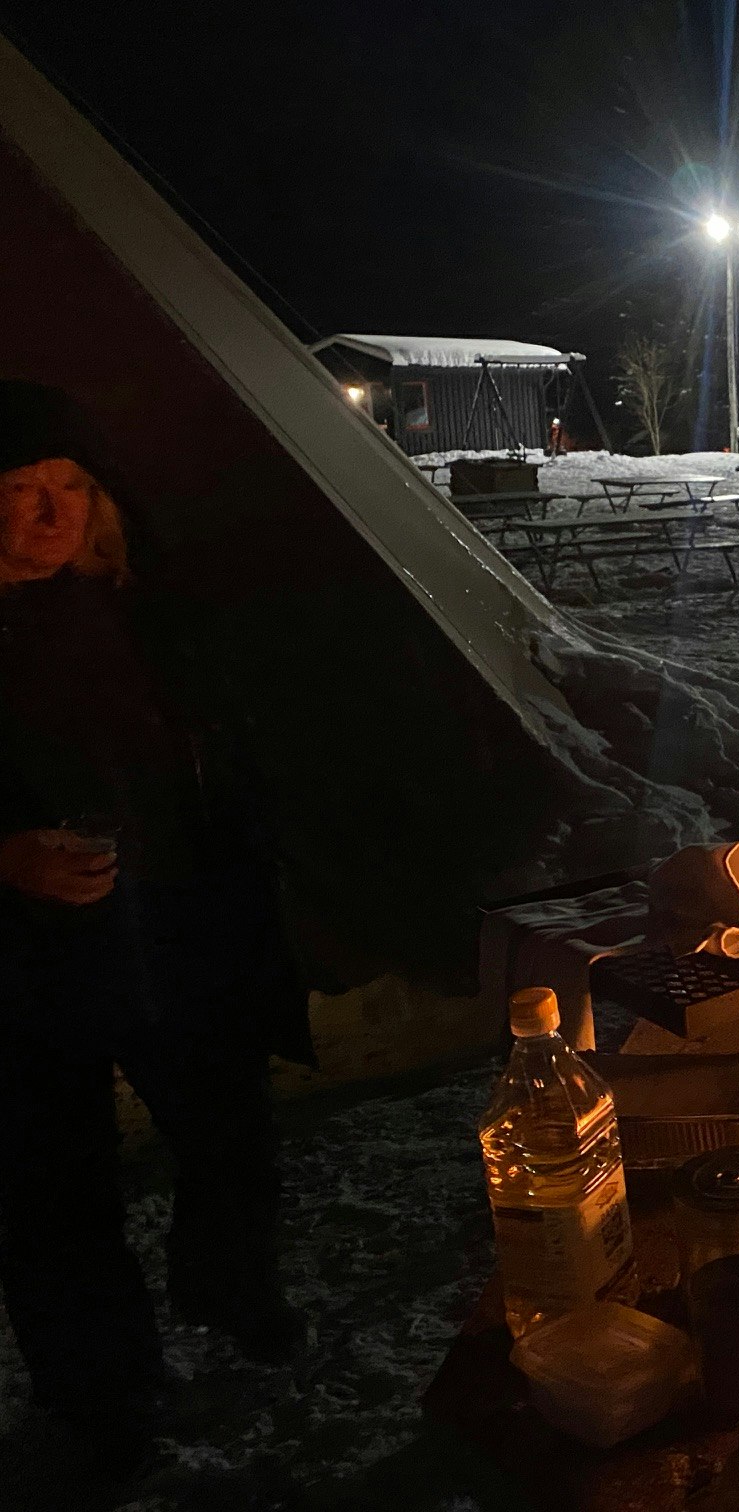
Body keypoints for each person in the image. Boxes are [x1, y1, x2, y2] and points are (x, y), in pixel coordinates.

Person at [0, 382, 306, 1471]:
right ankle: (102, 1387)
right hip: (33, 957)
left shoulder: (137, 606)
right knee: (52, 1178)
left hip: (178, 909)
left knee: (230, 1125)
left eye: (72, 489)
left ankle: (232, 1288)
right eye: (23, 491)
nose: (53, 516)